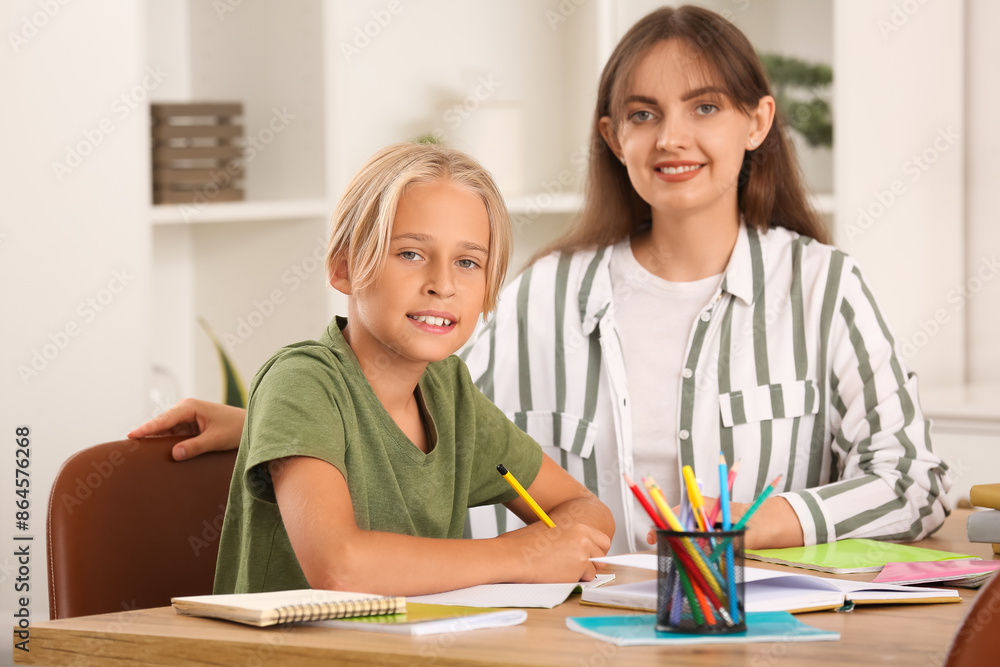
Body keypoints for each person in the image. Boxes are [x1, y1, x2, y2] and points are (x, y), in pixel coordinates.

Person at [131, 6, 949, 556]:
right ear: (612, 136)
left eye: (704, 108)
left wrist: (754, 528)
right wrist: (270, 417)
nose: (672, 137)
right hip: (569, 636)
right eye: (642, 113)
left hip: (759, 630)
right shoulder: (543, 294)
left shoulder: (823, 288)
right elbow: (419, 420)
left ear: (757, 122)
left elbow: (914, 481)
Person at [203, 142, 613, 596]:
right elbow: (341, 568)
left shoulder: (449, 392)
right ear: (344, 268)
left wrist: (553, 545)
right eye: (411, 254)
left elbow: (585, 507)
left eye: (467, 262)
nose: (442, 285)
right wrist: (523, 555)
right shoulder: (302, 380)